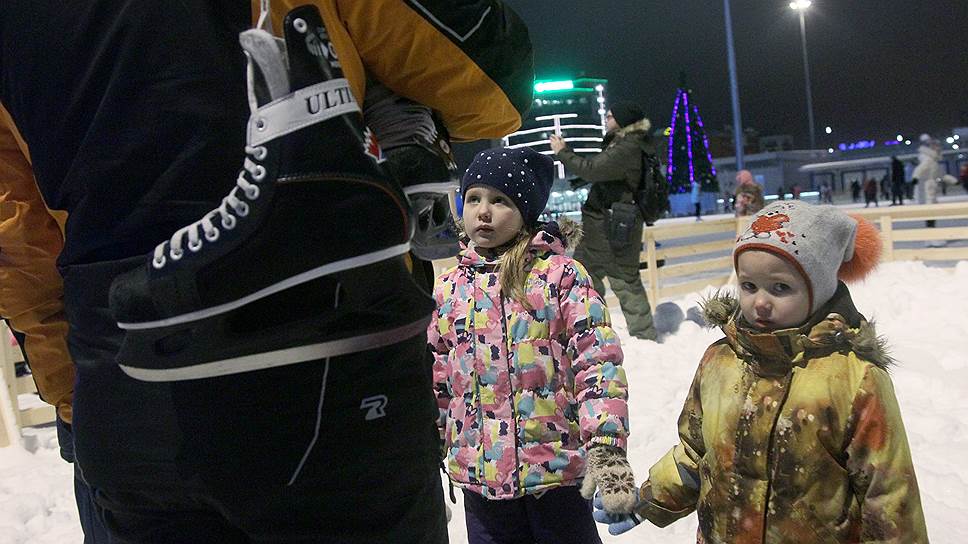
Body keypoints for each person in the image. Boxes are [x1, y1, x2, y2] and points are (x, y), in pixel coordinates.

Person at [0, 1, 533, 542]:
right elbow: (493, 85)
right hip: (333, 358)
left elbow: (18, 245)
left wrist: (75, 392)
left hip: (127, 370)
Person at [596, 200, 929, 542]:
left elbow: (888, 495)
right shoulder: (720, 360)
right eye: (749, 286)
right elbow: (696, 453)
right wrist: (649, 499)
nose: (761, 302)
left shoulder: (853, 378)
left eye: (780, 287)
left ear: (820, 291)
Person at [429, 147, 636, 544]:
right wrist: (431, 445)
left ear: (525, 211)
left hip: (554, 474)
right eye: (473, 198)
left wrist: (606, 450)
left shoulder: (559, 277)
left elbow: (598, 363)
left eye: (500, 200)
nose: (483, 212)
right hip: (481, 478)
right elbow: (439, 375)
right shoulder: (450, 287)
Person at [549, 101, 658, 340]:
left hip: (613, 228)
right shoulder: (626, 143)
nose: (606, 119)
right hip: (603, 226)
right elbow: (604, 175)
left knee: (623, 280)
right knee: (586, 278)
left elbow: (593, 169)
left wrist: (562, 151)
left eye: (610, 115)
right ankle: (591, 329)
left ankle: (644, 337)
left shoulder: (628, 146)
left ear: (623, 120)